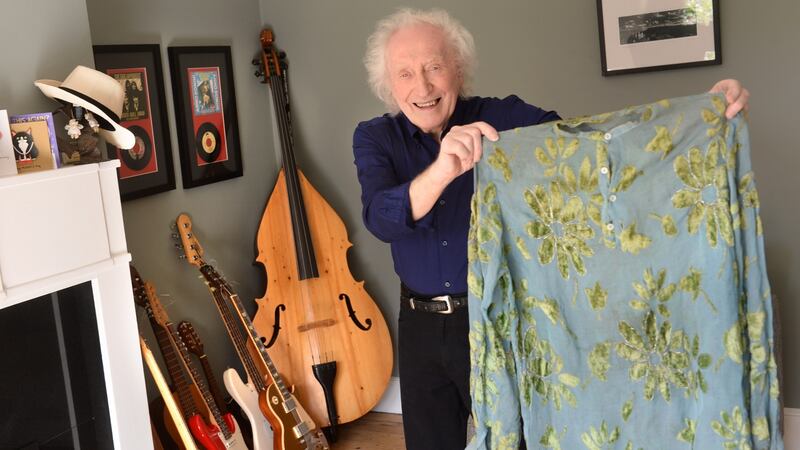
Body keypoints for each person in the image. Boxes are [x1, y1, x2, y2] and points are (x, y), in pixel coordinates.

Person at [352, 8, 750, 450]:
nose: (422, 87)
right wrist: (443, 169)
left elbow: (591, 144)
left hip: (495, 320)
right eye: (405, 74)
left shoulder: (500, 117)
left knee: (516, 441)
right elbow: (381, 218)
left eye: (434, 67)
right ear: (389, 87)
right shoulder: (373, 137)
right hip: (420, 327)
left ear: (458, 71)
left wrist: (704, 112)